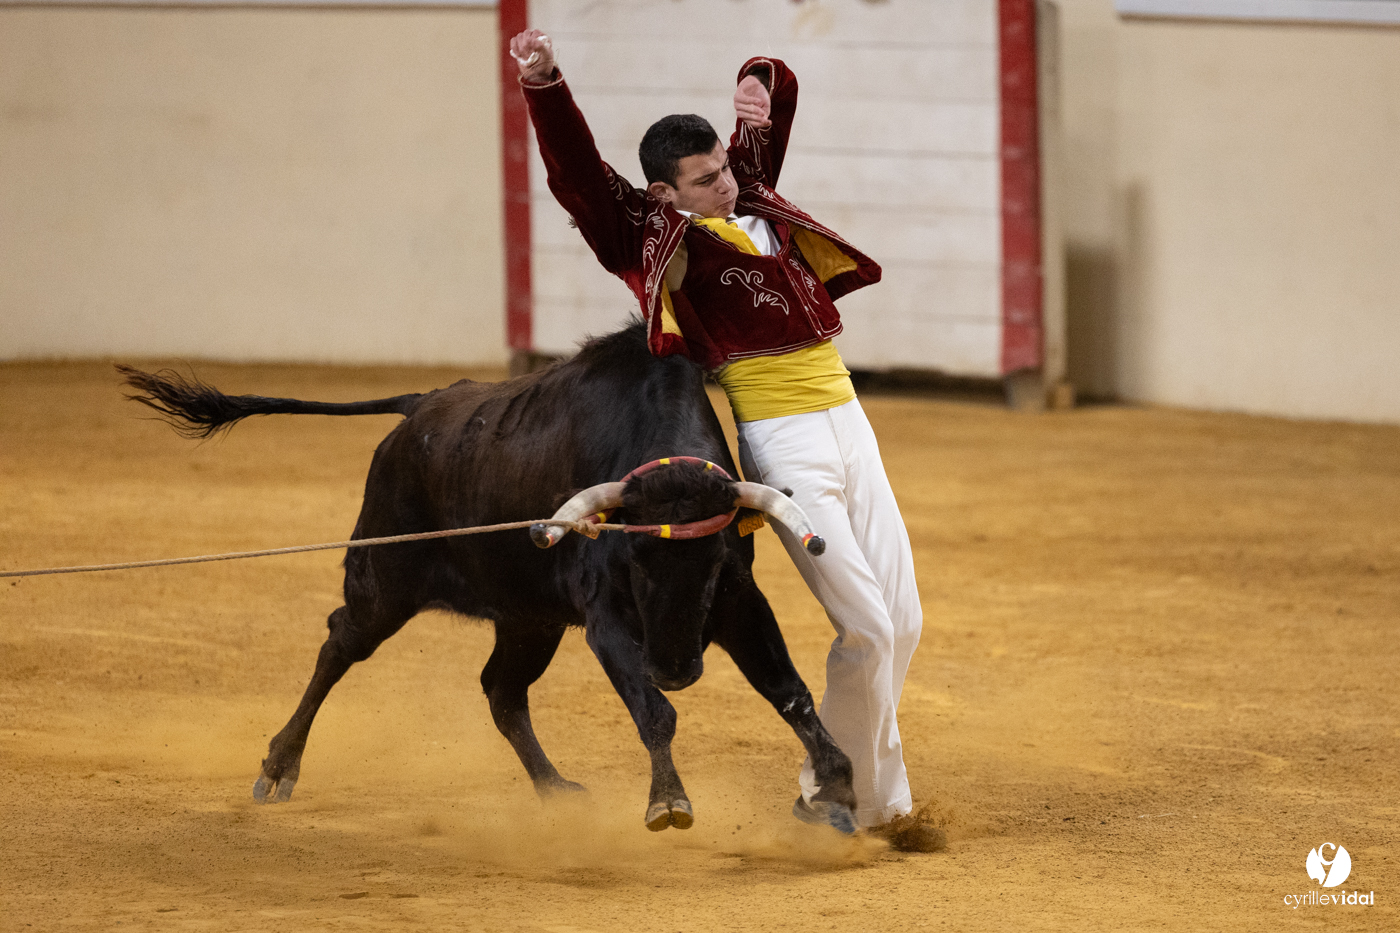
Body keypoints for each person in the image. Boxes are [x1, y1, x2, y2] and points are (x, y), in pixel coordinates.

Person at [509, 29, 942, 852]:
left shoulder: (744, 195)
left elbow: (771, 104)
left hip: (851, 422)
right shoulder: (653, 235)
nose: (729, 183)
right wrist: (546, 83)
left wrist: (758, 81)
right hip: (783, 439)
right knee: (869, 629)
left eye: (727, 168)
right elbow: (579, 179)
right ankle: (846, 791)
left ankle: (849, 793)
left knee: (905, 622)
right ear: (664, 193)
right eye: (707, 178)